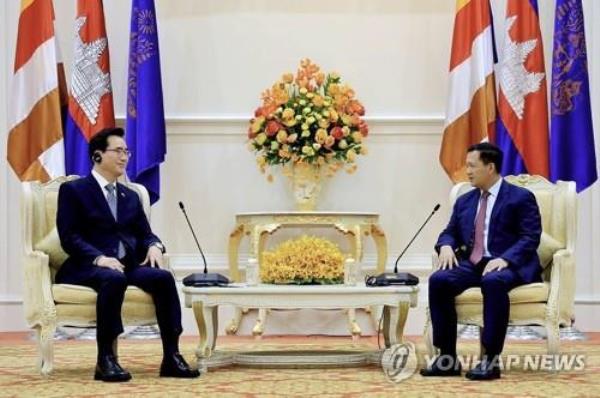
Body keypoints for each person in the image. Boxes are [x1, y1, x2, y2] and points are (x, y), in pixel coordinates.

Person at [56, 127, 200, 382]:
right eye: (118, 151)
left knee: (163, 278)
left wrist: (155, 245)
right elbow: (70, 237)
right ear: (98, 155)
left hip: (126, 265)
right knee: (114, 279)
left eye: (127, 152)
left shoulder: (130, 196)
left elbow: (146, 233)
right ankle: (106, 359)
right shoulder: (74, 190)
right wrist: (99, 258)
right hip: (86, 265)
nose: (124, 157)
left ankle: (171, 356)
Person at [420, 142, 542, 381]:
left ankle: (490, 359)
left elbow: (530, 237)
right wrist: (445, 245)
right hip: (473, 262)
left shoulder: (520, 198)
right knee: (439, 280)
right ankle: (447, 359)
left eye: (472, 166)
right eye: (467, 166)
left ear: (490, 167)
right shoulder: (465, 200)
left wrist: (506, 259)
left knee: (493, 281)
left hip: (508, 265)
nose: (468, 171)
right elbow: (450, 231)